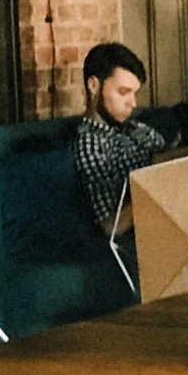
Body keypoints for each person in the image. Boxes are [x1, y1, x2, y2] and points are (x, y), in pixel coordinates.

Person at [73, 42, 178, 235]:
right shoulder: (91, 144)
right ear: (94, 85)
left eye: (134, 93)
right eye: (123, 92)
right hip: (154, 228)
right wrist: (162, 187)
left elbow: (166, 152)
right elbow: (110, 226)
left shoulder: (129, 124)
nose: (133, 103)